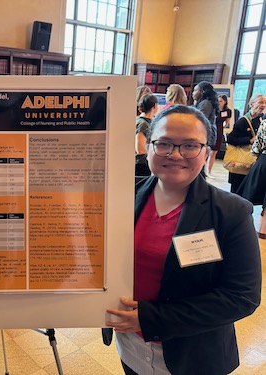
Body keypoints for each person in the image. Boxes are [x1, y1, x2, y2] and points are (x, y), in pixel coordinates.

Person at [104, 105, 261, 375]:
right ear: (149, 146)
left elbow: (241, 297)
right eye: (164, 144)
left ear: (207, 152)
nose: (175, 155)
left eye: (190, 145)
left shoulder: (231, 212)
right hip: (129, 342)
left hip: (193, 354)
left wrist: (149, 319)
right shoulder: (123, 196)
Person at [226, 94, 266, 193]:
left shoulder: (259, 120)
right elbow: (231, 139)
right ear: (251, 104)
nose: (263, 105)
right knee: (236, 193)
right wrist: (249, 140)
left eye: (265, 103)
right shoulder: (243, 121)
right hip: (240, 163)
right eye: (260, 102)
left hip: (250, 163)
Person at [237, 119, 266, 239]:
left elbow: (256, 148)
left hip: (264, 161)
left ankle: (239, 225)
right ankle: (264, 229)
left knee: (248, 194)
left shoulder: (265, 123)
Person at [192, 82, 218, 176]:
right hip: (203, 135)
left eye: (195, 90)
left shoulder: (205, 103)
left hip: (204, 136)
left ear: (202, 92)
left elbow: (200, 120)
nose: (193, 93)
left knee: (199, 164)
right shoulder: (201, 103)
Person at [135, 93, 158, 176]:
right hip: (141, 165)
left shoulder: (140, 120)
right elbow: (140, 149)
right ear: (155, 106)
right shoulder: (143, 124)